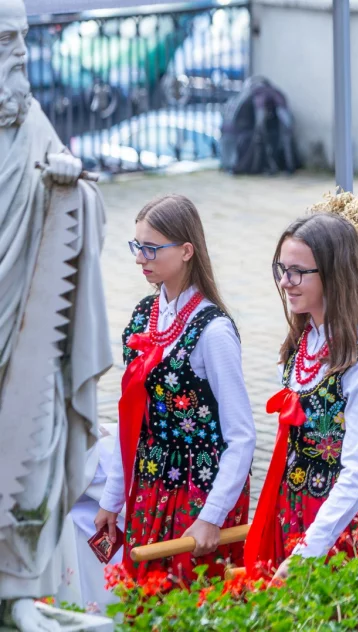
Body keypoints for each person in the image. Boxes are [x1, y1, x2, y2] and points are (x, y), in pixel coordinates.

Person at [0, 0, 113, 629]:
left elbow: (81, 198)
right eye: (3, 42)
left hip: (30, 319)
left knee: (34, 447)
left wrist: (72, 187)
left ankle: (19, 590)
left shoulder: (29, 121)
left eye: (18, 39)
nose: (16, 53)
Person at [95, 195, 255, 581]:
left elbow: (243, 437)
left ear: (186, 251)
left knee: (190, 601)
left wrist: (212, 516)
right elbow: (130, 418)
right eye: (137, 246)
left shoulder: (213, 332)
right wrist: (112, 499)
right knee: (143, 596)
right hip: (149, 484)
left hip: (199, 490)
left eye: (151, 248)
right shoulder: (143, 317)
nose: (140, 258)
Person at [244, 212, 358, 581]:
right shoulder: (305, 340)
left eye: (297, 271)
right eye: (281, 269)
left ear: (334, 274)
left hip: (337, 527)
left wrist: (308, 553)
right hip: (294, 511)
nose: (285, 282)